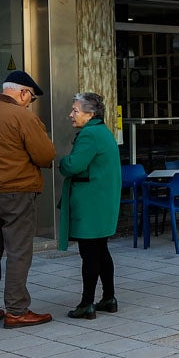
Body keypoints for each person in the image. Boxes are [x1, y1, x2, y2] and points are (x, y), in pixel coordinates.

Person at [0, 70, 57, 329]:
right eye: (30, 97)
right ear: (22, 92)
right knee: (18, 251)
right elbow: (45, 155)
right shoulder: (22, 116)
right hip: (15, 191)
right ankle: (16, 311)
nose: (30, 102)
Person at [59, 92, 122, 320]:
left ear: (90, 114)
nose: (71, 114)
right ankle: (108, 298)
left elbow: (74, 165)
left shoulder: (89, 135)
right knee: (101, 251)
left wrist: (61, 161)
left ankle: (87, 303)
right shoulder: (101, 132)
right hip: (101, 201)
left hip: (91, 204)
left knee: (90, 254)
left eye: (75, 110)